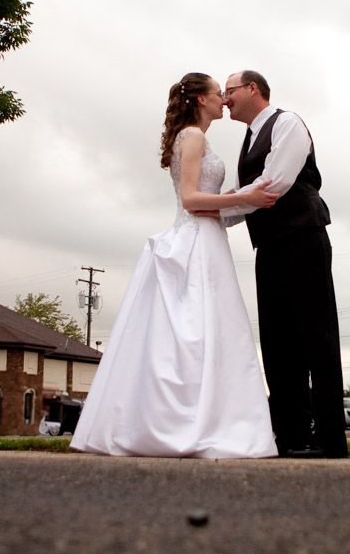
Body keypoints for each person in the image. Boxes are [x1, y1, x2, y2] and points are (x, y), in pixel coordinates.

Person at [70, 73, 281, 459]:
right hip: (197, 240)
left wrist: (237, 197)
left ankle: (195, 420)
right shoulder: (194, 136)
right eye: (218, 93)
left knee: (201, 333)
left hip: (207, 236)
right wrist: (245, 198)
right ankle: (196, 424)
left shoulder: (193, 137)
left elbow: (204, 197)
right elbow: (190, 199)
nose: (224, 99)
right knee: (199, 332)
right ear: (201, 100)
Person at [218, 70, 346, 459]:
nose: (225, 99)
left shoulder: (286, 123)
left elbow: (273, 185)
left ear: (252, 88)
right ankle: (292, 436)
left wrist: (214, 210)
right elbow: (249, 196)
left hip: (303, 239)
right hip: (269, 246)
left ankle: (330, 440)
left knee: (317, 338)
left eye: (229, 91)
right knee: (277, 343)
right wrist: (211, 213)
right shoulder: (248, 138)